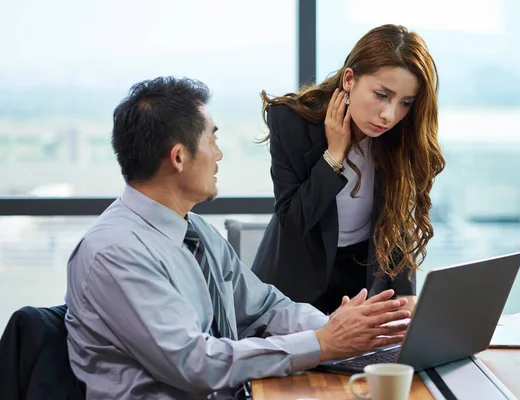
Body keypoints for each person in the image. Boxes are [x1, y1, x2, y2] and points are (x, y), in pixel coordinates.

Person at [64, 77, 411, 400]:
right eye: (212, 140)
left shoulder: (196, 232)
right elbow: (195, 363)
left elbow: (266, 308)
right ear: (179, 156)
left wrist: (348, 330)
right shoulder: (114, 253)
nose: (219, 154)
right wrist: (322, 343)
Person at [252, 24, 445, 315]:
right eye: (381, 94)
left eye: (405, 103)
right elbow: (293, 222)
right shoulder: (292, 122)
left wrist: (405, 304)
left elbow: (397, 224)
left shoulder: (400, 136)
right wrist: (334, 155)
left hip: (362, 281)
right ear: (350, 79)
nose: (389, 115)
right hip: (293, 289)